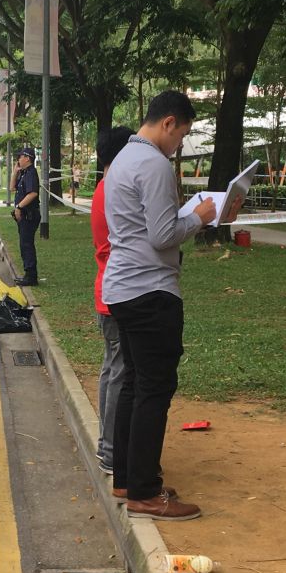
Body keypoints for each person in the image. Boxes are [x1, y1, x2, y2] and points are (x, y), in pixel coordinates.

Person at [102, 90, 216, 521]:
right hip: (150, 290)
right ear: (169, 123)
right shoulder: (152, 164)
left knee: (134, 384)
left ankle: (129, 479)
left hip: (124, 288)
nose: (179, 144)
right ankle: (145, 493)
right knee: (154, 388)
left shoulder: (124, 161)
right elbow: (163, 235)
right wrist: (201, 217)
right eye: (182, 135)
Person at [90, 126, 133, 479]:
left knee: (111, 369)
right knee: (119, 372)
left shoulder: (103, 189)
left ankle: (107, 444)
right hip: (117, 294)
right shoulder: (114, 192)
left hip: (106, 291)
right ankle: (111, 451)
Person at [11, 147, 40, 286]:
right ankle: (28, 273)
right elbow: (12, 188)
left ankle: (31, 276)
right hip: (24, 216)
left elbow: (33, 193)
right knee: (24, 244)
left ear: (27, 158)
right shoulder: (23, 173)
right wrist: (14, 172)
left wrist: (19, 207)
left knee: (27, 245)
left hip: (29, 215)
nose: (18, 159)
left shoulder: (31, 173)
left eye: (20, 156)